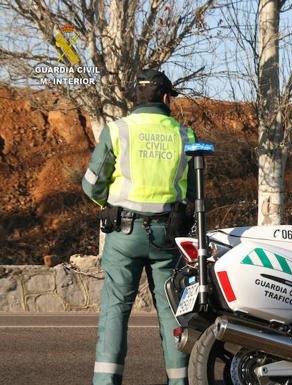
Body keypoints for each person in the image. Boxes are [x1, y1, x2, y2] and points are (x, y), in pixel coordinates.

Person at [82, 69, 196, 385]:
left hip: (123, 232)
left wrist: (108, 204)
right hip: (168, 236)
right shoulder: (184, 135)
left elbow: (91, 184)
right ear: (164, 98)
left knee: (115, 312)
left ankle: (106, 382)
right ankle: (179, 381)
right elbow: (193, 192)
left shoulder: (117, 130)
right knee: (173, 312)